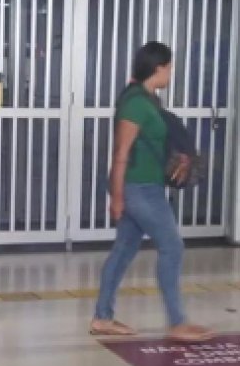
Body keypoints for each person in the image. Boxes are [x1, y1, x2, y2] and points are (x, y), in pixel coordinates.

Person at [92, 42, 214, 342]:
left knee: (123, 251)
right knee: (172, 247)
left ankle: (102, 318)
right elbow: (120, 153)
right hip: (140, 190)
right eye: (169, 67)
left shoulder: (147, 99)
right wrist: (117, 197)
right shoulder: (135, 104)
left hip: (147, 188)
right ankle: (177, 322)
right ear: (157, 68)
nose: (171, 73)